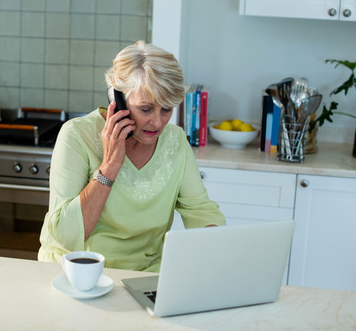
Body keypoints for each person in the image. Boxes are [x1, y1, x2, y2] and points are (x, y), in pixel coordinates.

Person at [38, 41, 225, 272]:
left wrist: (213, 244)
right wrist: (110, 165)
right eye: (145, 109)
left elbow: (200, 210)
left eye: (166, 109)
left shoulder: (175, 140)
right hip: (79, 270)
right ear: (118, 100)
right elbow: (64, 236)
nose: (157, 123)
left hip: (147, 273)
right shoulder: (76, 135)